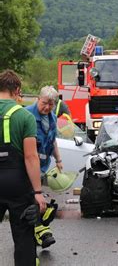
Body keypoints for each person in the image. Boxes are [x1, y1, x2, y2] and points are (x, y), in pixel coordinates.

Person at [0, 70, 47, 265]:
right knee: (23, 237)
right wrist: (37, 191)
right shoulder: (24, 116)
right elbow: (30, 156)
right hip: (16, 182)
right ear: (17, 90)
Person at [26, 86, 64, 249]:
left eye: (51, 104)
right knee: (32, 199)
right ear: (37, 99)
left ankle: (37, 233)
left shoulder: (52, 118)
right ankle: (41, 232)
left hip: (41, 166)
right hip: (27, 165)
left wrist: (58, 159)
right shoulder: (26, 115)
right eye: (44, 103)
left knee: (35, 199)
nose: (47, 107)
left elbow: (53, 140)